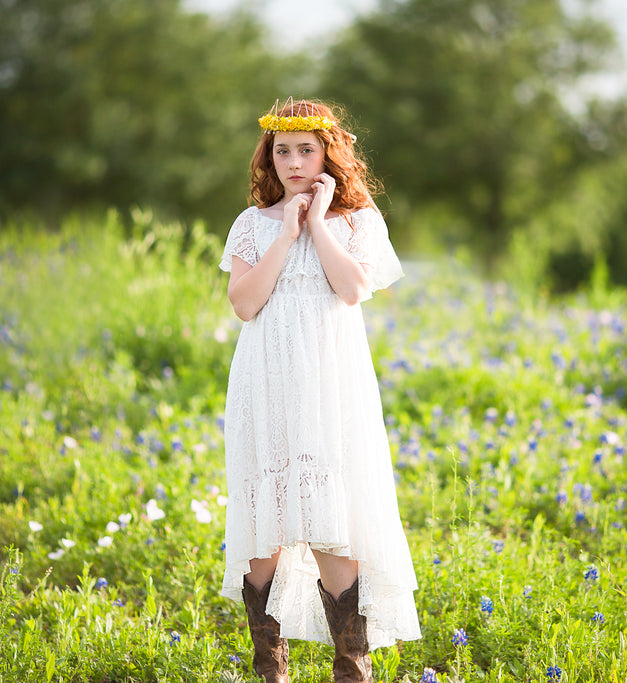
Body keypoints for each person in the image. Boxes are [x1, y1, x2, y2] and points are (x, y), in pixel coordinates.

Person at [218, 98, 421, 683]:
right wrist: (286, 230)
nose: (294, 162)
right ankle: (269, 664)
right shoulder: (252, 223)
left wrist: (318, 222)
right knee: (266, 515)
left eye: (306, 150)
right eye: (283, 151)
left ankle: (350, 665)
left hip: (331, 380)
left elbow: (353, 289)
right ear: (269, 156)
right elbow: (245, 302)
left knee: (333, 512)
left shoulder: (356, 221)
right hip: (267, 377)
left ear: (329, 154)